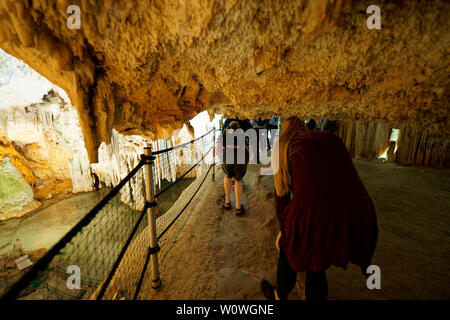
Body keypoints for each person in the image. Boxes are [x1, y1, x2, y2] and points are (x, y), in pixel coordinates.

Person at [261, 116, 377, 300]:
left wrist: (284, 230)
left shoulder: (283, 145)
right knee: (316, 260)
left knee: (289, 243)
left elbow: (281, 193)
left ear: (284, 129)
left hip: (315, 210)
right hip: (358, 208)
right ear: (304, 126)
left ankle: (279, 294)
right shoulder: (329, 138)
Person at [216, 121, 250, 216]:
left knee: (227, 176)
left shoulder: (224, 133)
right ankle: (238, 208)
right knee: (238, 180)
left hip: (227, 155)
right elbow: (249, 149)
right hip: (240, 155)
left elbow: (218, 149)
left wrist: (222, 159)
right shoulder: (242, 132)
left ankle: (227, 202)